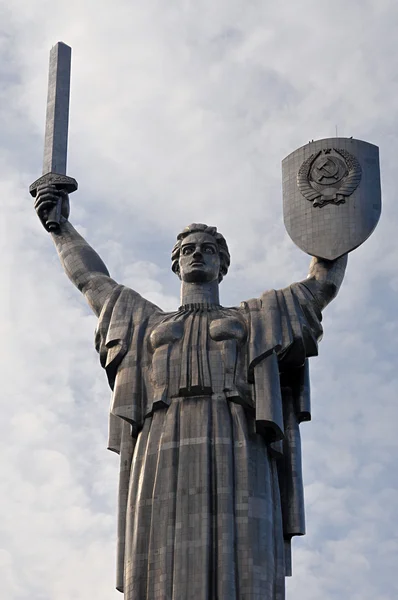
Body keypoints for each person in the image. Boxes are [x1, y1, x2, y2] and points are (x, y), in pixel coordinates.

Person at [34, 185, 347, 600]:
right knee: (157, 547)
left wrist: (337, 218)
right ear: (177, 265)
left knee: (245, 542)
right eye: (187, 250)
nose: (196, 254)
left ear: (222, 265)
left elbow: (320, 285)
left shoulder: (256, 317)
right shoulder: (144, 322)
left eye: (208, 249)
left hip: (237, 433)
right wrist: (60, 228)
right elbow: (93, 281)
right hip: (161, 438)